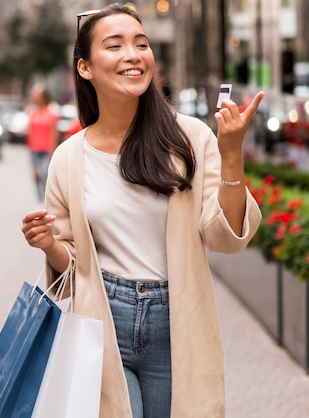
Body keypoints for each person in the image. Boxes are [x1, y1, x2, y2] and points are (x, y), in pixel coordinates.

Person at [21, 4, 264, 417]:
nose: (133, 55)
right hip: (103, 317)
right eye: (114, 46)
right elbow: (70, 276)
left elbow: (225, 238)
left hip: (177, 318)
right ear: (85, 68)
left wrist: (231, 155)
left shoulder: (189, 137)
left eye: (141, 44)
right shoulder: (68, 158)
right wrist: (48, 244)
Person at [26, 83, 60, 201]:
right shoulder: (33, 112)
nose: (34, 97)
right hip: (34, 150)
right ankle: (39, 200)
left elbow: (54, 134)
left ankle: (48, 201)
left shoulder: (51, 112)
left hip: (46, 150)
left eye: (37, 94)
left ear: (43, 96)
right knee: (36, 176)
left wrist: (52, 152)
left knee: (45, 175)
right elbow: (30, 132)